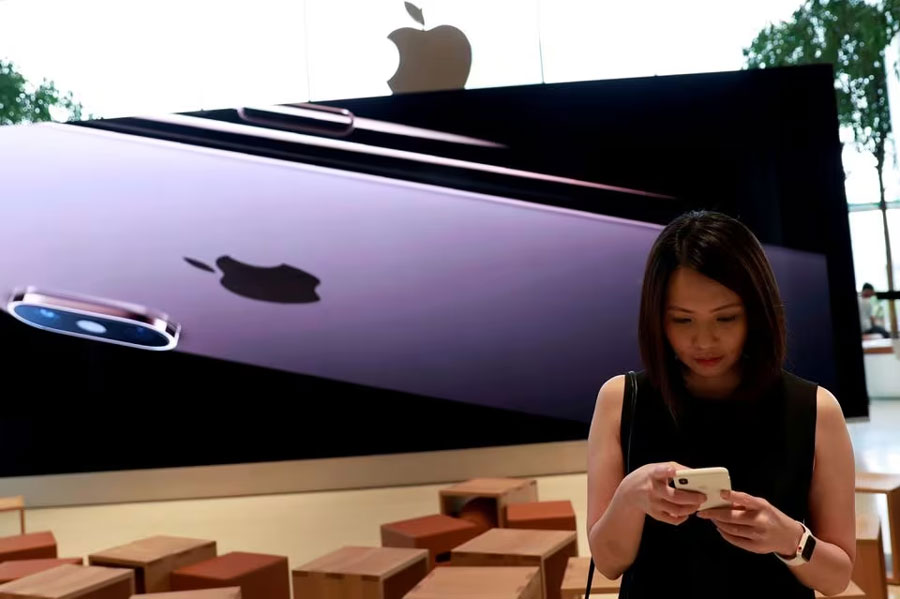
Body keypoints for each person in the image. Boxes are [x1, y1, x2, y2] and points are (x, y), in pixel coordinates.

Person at [586, 211, 855, 598]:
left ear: (756, 314)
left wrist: (790, 539)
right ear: (657, 319)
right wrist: (630, 496)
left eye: (725, 318)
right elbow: (609, 563)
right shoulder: (622, 400)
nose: (704, 341)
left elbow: (837, 577)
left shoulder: (814, 409)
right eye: (683, 320)